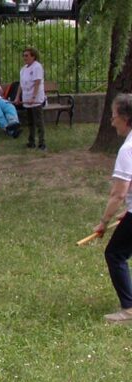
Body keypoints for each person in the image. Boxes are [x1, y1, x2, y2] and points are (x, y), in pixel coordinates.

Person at [92, 93, 132, 324]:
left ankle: (129, 309)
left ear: (126, 118)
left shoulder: (127, 150)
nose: (111, 120)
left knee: (115, 254)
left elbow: (118, 193)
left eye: (114, 115)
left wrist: (103, 222)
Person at [14, 46, 46, 151]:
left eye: (27, 55)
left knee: (39, 121)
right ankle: (31, 141)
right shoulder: (23, 69)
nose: (25, 57)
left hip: (36, 100)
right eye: (24, 56)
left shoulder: (37, 67)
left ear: (33, 56)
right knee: (30, 122)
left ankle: (42, 143)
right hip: (26, 99)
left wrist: (33, 97)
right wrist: (18, 97)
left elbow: (37, 83)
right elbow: (21, 84)